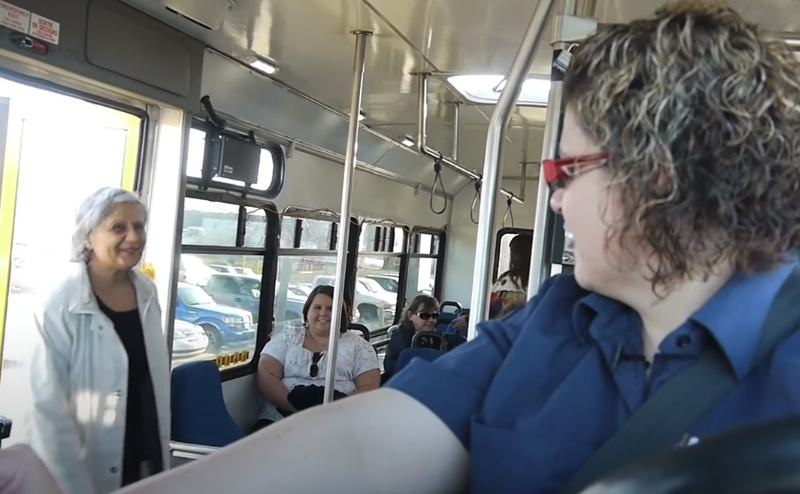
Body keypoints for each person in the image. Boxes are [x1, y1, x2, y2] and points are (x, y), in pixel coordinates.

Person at [115, 3, 800, 494]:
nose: (555, 200)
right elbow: (363, 442)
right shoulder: (556, 319)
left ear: (657, 177)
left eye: (565, 171)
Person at [28, 188, 170, 494]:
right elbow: (48, 411)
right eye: (119, 227)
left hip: (144, 452)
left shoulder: (146, 292)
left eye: (139, 226)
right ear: (88, 237)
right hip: (84, 463)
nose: (134, 237)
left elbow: (149, 379)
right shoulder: (60, 303)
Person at [252, 285, 380, 431]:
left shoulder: (359, 346)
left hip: (339, 420)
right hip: (282, 415)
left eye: (330, 309)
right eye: (317, 308)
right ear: (307, 312)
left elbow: (369, 386)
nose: (323, 313)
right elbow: (266, 375)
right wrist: (294, 408)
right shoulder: (288, 338)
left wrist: (333, 413)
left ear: (341, 314)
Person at [383, 295, 440, 377]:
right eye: (424, 315)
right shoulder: (400, 338)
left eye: (434, 316)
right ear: (410, 316)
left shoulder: (438, 338)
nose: (431, 320)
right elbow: (392, 367)